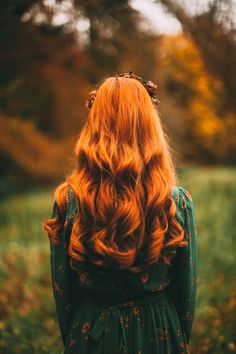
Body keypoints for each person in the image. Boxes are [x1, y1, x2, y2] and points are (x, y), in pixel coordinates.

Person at [43, 72, 198, 354]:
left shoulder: (69, 200)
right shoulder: (176, 202)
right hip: (159, 331)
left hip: (92, 334)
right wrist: (176, 338)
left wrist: (75, 339)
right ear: (149, 124)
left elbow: (63, 294)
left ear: (94, 124)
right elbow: (186, 295)